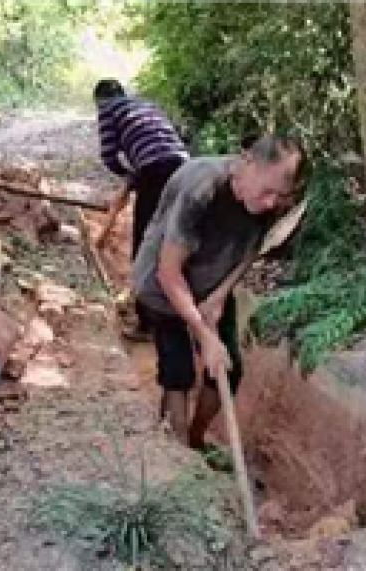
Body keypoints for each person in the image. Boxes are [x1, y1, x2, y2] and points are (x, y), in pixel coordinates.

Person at [132, 134, 303, 453]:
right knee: (178, 370)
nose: (271, 203)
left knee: (227, 368)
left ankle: (196, 439)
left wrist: (220, 295)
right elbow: (169, 272)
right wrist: (204, 334)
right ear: (248, 162)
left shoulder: (272, 203)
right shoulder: (202, 186)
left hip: (212, 284)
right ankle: (177, 452)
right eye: (267, 192)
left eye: (279, 196)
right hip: (162, 286)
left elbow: (251, 250)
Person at [93, 79, 189, 341]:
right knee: (177, 239)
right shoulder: (147, 105)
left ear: (99, 100)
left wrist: (130, 175)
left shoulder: (108, 109)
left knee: (146, 243)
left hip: (155, 171)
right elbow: (174, 139)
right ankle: (184, 313)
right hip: (184, 169)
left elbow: (109, 156)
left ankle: (146, 323)